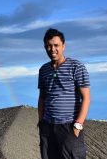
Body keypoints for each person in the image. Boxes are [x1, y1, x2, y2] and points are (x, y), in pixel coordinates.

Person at [38, 28, 91, 159]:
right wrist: (41, 122)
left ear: (63, 46)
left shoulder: (76, 67)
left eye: (56, 45)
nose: (52, 49)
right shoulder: (43, 70)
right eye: (48, 46)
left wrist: (77, 126)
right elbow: (42, 98)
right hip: (48, 127)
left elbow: (86, 98)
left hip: (69, 126)